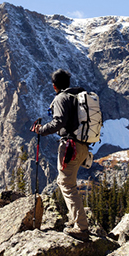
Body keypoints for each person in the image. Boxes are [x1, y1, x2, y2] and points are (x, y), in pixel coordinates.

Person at [31, 69, 90, 239]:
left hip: (70, 146)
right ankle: (75, 219)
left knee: (66, 183)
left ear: (54, 85)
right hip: (83, 146)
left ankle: (81, 228)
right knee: (66, 181)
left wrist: (41, 130)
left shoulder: (61, 98)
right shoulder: (77, 97)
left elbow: (59, 121)